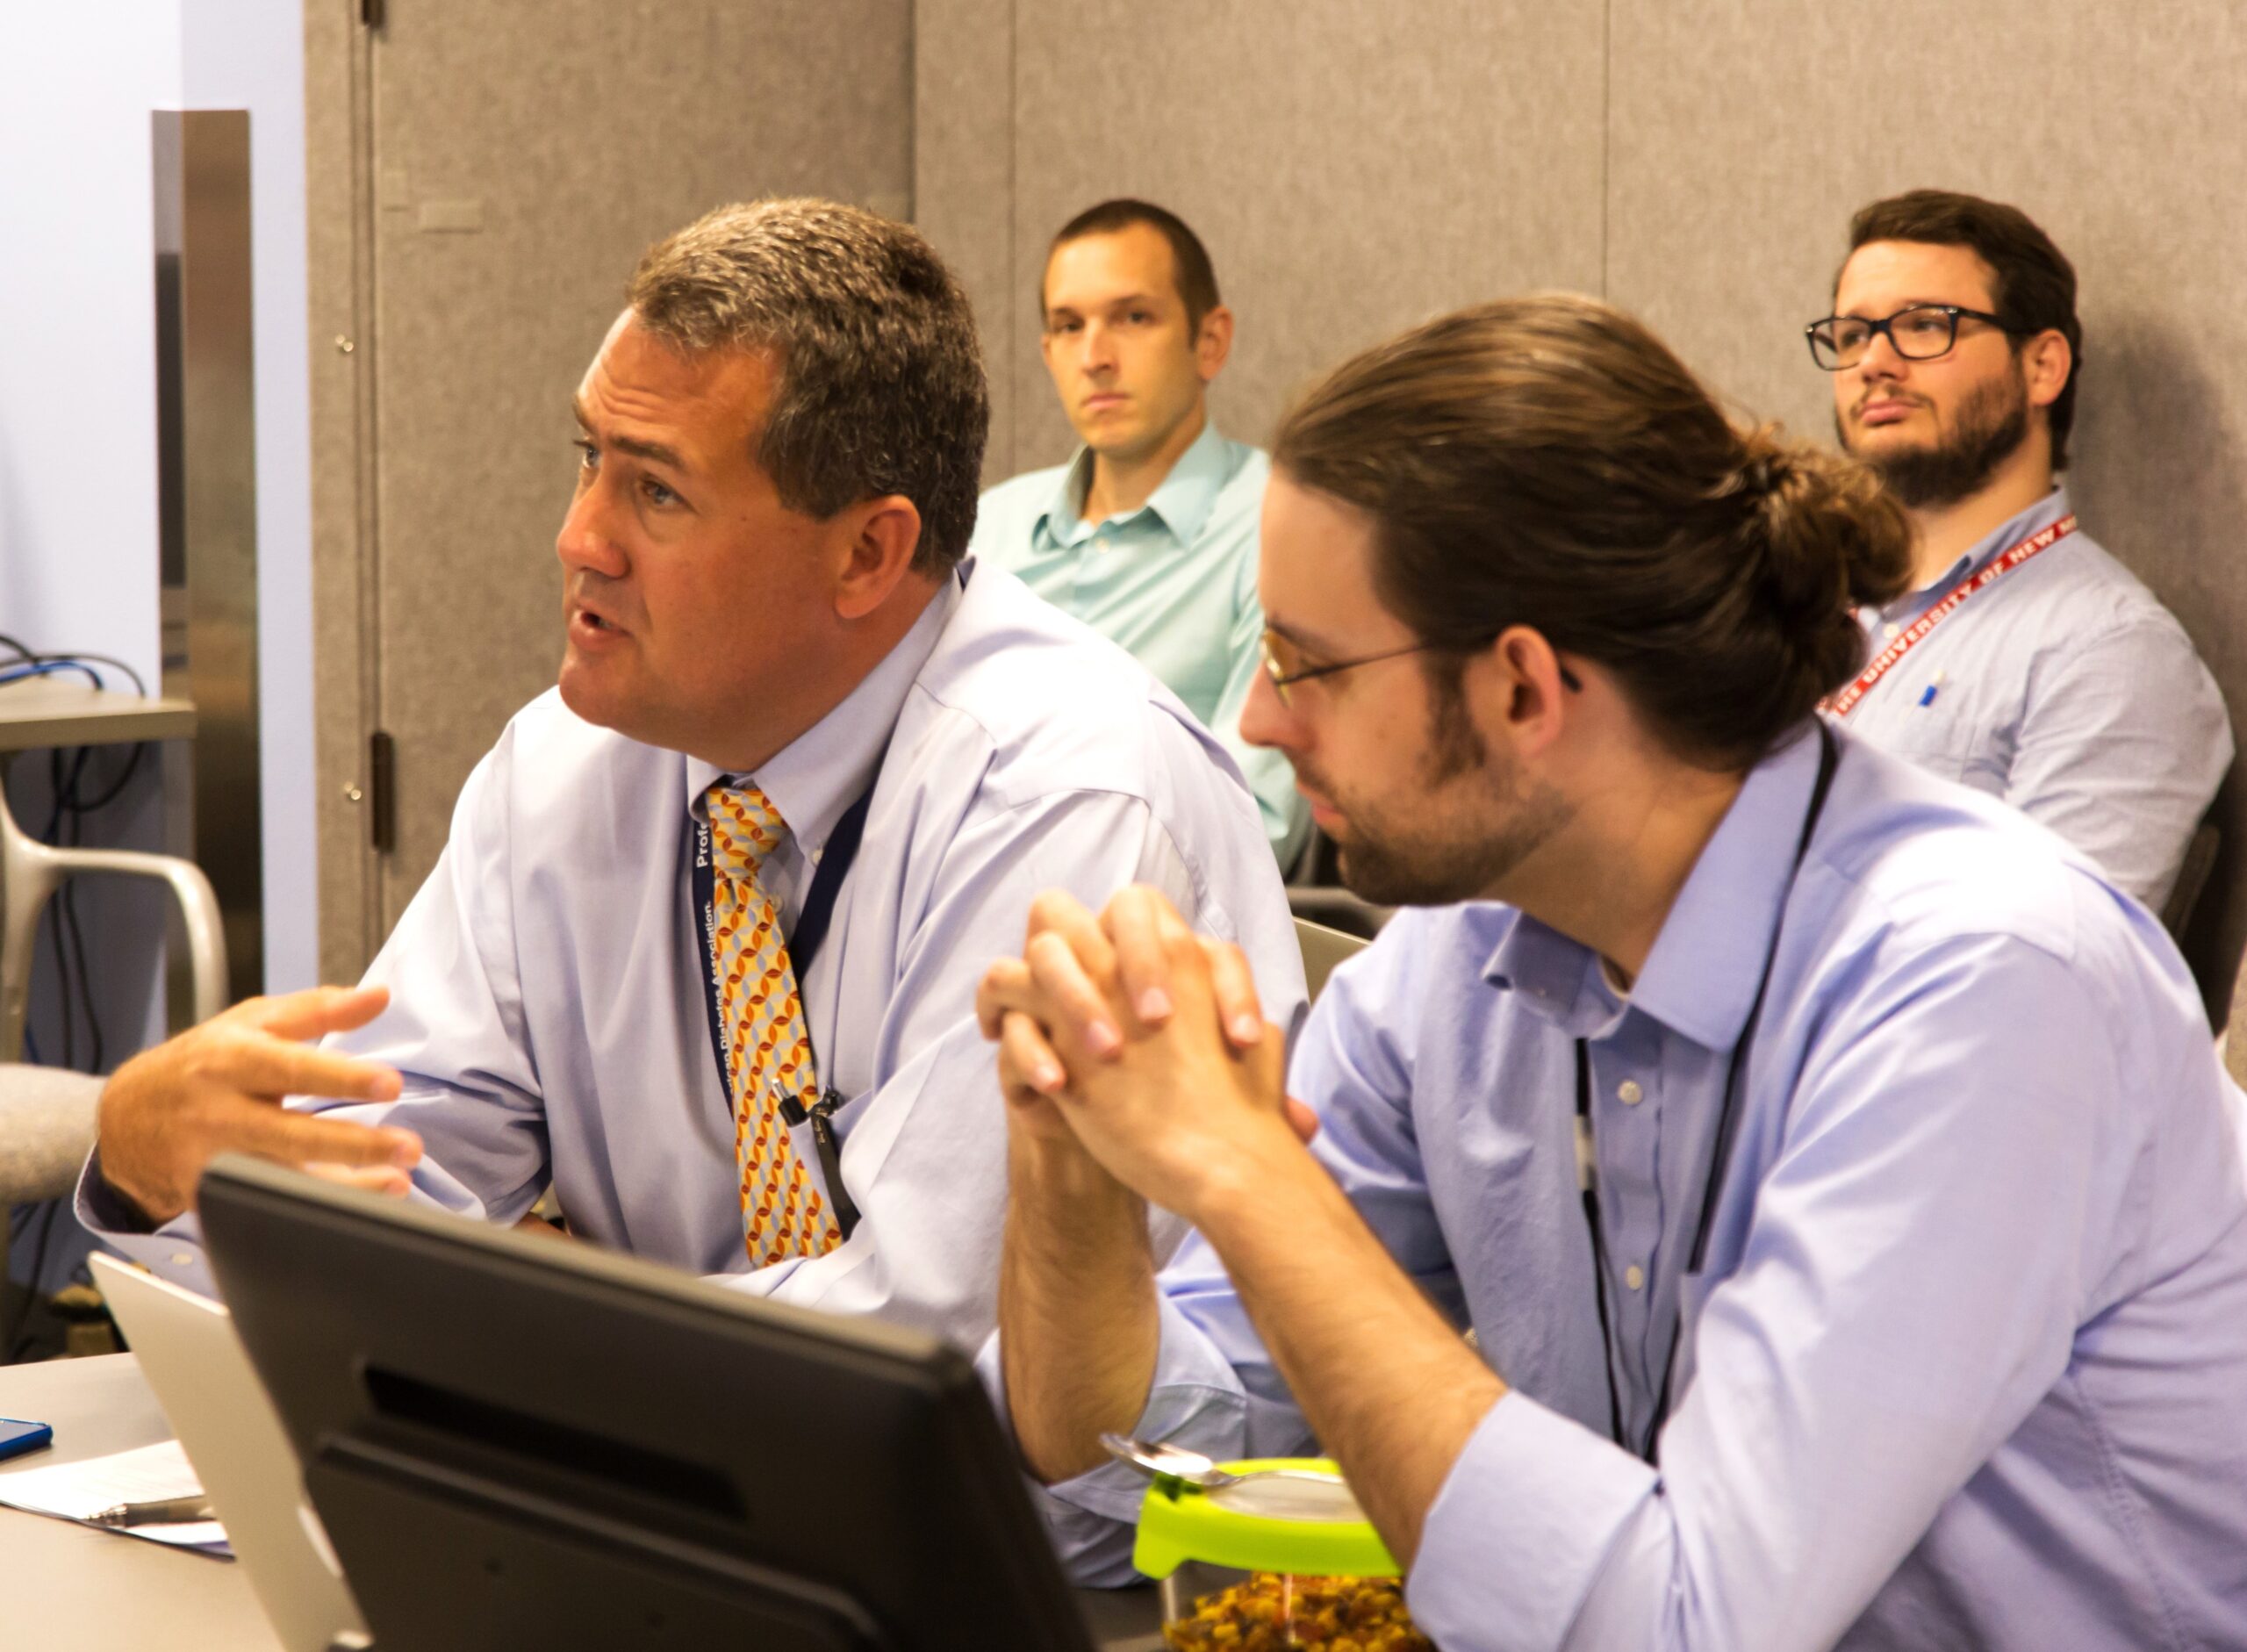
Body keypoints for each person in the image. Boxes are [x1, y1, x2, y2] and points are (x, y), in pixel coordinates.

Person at [976, 296, 2247, 1649]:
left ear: (1526, 689)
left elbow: (1689, 1627)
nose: (1259, 718)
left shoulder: (1981, 981)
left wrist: (1247, 1175)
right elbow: (1109, 1496)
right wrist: (1072, 1181)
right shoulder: (1462, 960)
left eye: (1309, 664)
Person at [81, 199, 1304, 1350]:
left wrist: (527, 1340)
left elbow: (935, 1337)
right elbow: (384, 1169)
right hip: (674, 1494)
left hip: (1065, 1551)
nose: (578, 538)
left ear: (869, 551)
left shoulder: (1067, 796)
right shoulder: (564, 766)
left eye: (656, 489)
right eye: (588, 458)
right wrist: (160, 1169)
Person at [1812, 188, 2230, 912]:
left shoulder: (2108, 653)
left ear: (2042, 367)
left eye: (1922, 326)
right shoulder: (1800, 608)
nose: (1874, 361)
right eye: (1851, 336)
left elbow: (2040, 968)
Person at [969, 200, 1309, 868]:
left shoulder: (1277, 526)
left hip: (1149, 921)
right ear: (1048, 353)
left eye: (1133, 317)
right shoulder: (985, 528)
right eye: (1069, 326)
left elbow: (1254, 824)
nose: (1095, 357)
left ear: (1209, 341)